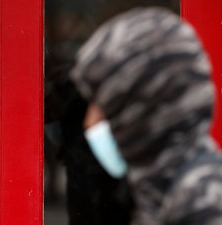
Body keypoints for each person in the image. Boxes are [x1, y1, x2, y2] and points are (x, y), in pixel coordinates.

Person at [70, 7, 222, 225]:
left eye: (103, 106)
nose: (89, 123)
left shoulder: (203, 204)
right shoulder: (158, 195)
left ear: (141, 112)